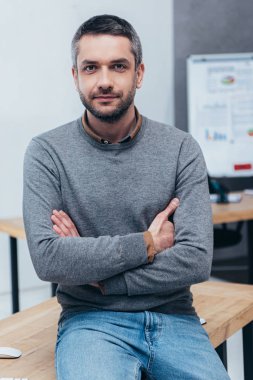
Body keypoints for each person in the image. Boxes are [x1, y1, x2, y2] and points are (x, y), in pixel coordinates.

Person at [23, 14, 230, 380]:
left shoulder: (181, 148)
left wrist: (101, 279)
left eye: (118, 66)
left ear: (139, 73)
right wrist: (148, 243)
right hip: (91, 323)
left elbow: (196, 259)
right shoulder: (46, 152)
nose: (104, 81)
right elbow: (50, 260)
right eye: (91, 68)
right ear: (76, 77)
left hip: (174, 318)